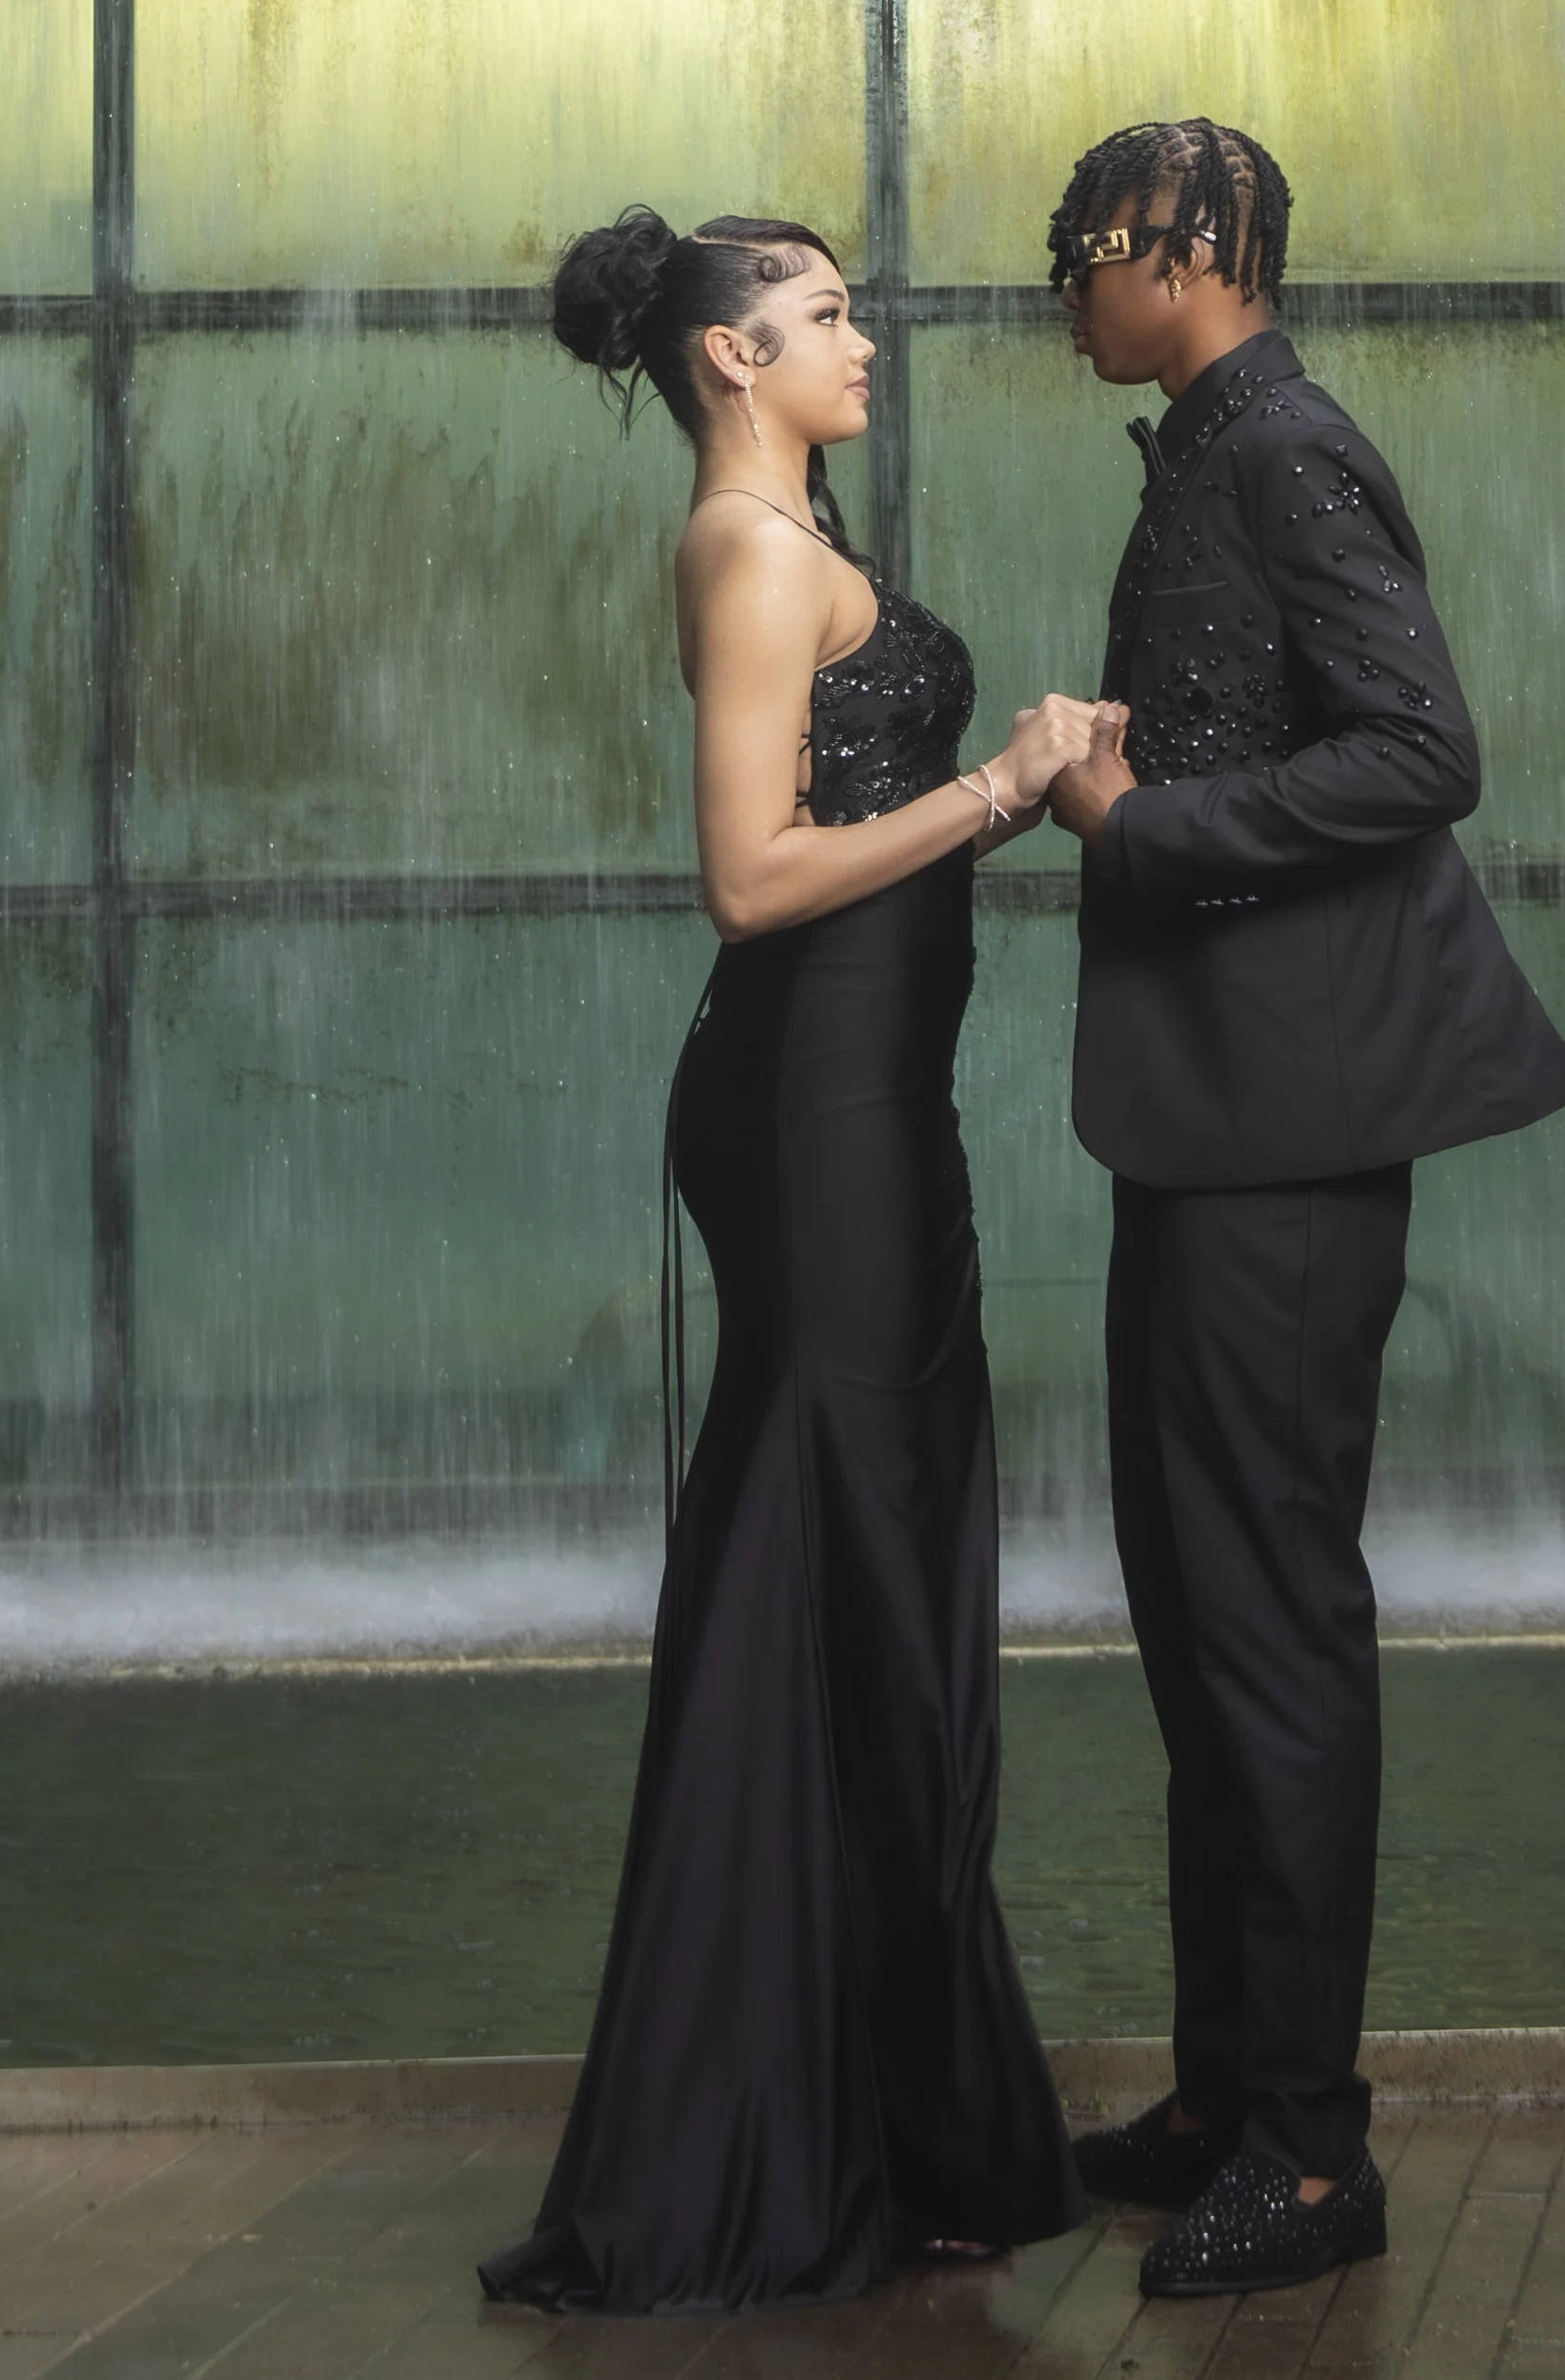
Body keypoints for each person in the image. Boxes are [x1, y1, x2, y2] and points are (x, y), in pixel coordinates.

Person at [480, 207, 1091, 2313]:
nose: (865, 337)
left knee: (851, 1589)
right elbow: (749, 880)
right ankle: (772, 2142)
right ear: (730, 359)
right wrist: (1002, 786)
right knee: (841, 1585)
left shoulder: (792, 534)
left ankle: (858, 2111)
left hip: (862, 1115)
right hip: (811, 1114)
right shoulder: (745, 552)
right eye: (826, 314)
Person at [1043, 120, 1565, 2301]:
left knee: (1261, 1625)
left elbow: (1418, 747)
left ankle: (1308, 2149)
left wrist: (1136, 811)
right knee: (1196, 1616)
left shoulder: (1281, 452)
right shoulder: (1208, 440)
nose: (1061, 297)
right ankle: (1223, 2087)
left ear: (1182, 254)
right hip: (1209, 1124)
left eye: (1079, 256)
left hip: (1279, 1142)